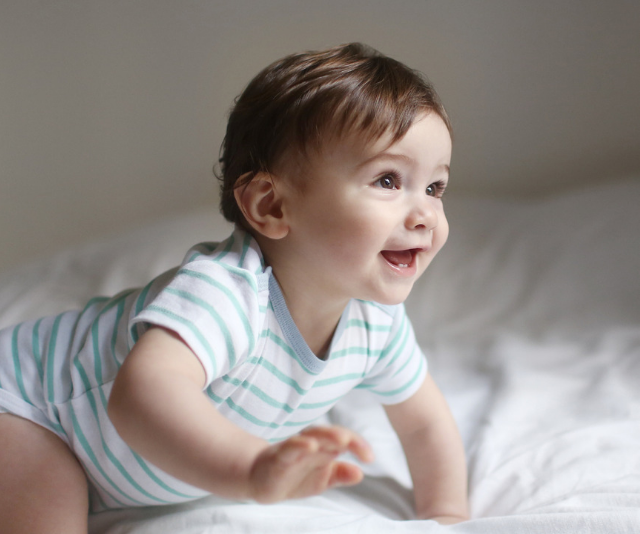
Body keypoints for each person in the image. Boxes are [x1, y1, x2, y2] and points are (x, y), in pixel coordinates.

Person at [0, 43, 469, 532]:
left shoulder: (377, 323)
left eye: (435, 187)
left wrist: (447, 515)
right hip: (28, 411)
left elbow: (424, 424)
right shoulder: (228, 291)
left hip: (108, 469)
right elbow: (141, 394)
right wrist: (250, 469)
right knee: (46, 499)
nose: (425, 216)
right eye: (389, 180)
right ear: (271, 206)